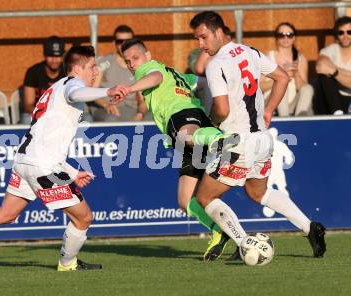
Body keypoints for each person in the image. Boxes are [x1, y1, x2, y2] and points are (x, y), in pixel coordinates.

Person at [0, 45, 127, 272]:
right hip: (42, 166)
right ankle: (67, 263)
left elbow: (46, 139)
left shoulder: (55, 88)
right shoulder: (72, 84)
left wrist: (71, 172)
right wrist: (108, 91)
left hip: (25, 161)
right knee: (84, 218)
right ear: (77, 68)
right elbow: (76, 92)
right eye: (91, 66)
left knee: (6, 214)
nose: (96, 71)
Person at [189, 11, 326, 260]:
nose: (200, 44)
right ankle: (310, 227)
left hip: (236, 141)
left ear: (218, 31)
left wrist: (210, 122)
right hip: (262, 140)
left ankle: (243, 243)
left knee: (204, 196)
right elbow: (282, 78)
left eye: (203, 37)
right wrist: (270, 109)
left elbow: (221, 108)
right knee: (258, 193)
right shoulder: (249, 51)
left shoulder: (216, 64)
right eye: (197, 39)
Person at [117, 38, 240, 261]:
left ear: (148, 55)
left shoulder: (150, 69)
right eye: (127, 62)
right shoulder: (176, 74)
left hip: (181, 116)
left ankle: (220, 141)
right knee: (185, 201)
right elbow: (202, 82)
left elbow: (155, 77)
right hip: (195, 121)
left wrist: (129, 88)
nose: (132, 64)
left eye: (135, 58)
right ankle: (220, 231)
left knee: (186, 135)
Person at [91, 25, 149, 122]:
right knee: (112, 120)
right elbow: (92, 91)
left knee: (154, 120)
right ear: (114, 42)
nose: (124, 45)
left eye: (128, 41)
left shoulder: (139, 66)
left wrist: (140, 113)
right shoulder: (104, 63)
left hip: (132, 109)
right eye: (120, 41)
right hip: (106, 108)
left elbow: (143, 100)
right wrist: (106, 104)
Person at [261, 22, 314, 116]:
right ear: (277, 38)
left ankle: (300, 119)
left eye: (289, 35)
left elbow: (303, 88)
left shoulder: (301, 59)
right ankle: (285, 119)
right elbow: (260, 86)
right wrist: (281, 78)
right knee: (282, 85)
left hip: (293, 104)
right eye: (281, 35)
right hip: (271, 104)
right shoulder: (268, 58)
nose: (285, 38)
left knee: (308, 88)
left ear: (294, 38)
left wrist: (296, 74)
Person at [22, 36, 66, 123]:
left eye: (58, 56)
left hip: (63, 114)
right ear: (45, 55)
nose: (54, 60)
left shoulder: (68, 71)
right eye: (50, 56)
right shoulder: (33, 72)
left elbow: (73, 102)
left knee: (86, 119)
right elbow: (28, 105)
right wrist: (46, 114)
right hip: (40, 114)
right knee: (26, 119)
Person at [313, 16, 351, 115]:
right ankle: (337, 112)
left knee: (329, 73)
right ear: (336, 35)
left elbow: (329, 69)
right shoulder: (331, 50)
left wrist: (335, 72)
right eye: (341, 33)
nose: (345, 36)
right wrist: (347, 76)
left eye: (349, 32)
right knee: (324, 76)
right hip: (333, 98)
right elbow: (320, 67)